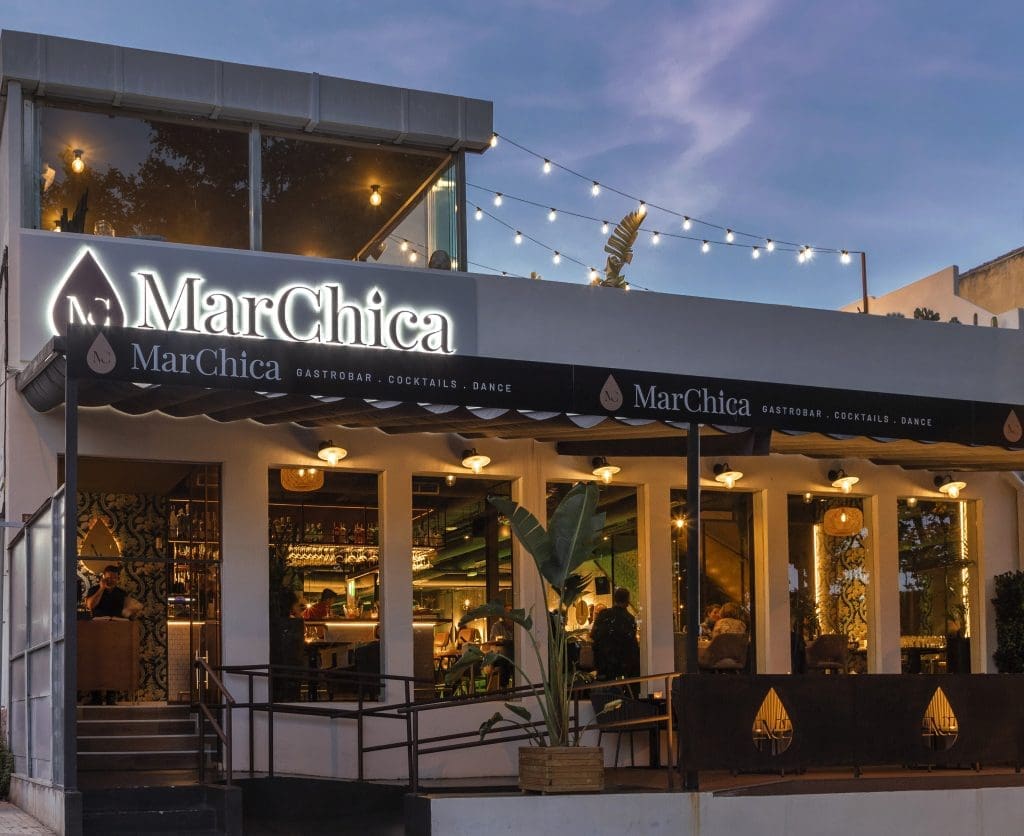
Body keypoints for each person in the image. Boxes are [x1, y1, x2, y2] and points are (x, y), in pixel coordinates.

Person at [83, 565, 140, 705]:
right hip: (97, 631)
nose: (111, 580)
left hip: (117, 631)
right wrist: (101, 589)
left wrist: (133, 610)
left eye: (114, 578)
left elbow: (127, 611)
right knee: (96, 662)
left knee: (115, 663)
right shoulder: (94, 589)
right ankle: (96, 696)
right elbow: (90, 605)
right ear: (103, 577)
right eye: (108, 578)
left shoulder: (121, 593)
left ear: (118, 578)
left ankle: (111, 696)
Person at [590, 587, 640, 686]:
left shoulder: (603, 614)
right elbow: (631, 644)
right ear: (627, 601)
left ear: (614, 599)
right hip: (621, 666)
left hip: (602, 663)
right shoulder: (629, 619)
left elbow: (593, 635)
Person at [487, 606, 515, 690]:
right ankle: (503, 689)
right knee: (504, 660)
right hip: (499, 655)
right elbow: (493, 642)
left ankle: (515, 687)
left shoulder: (517, 627)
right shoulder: (497, 626)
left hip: (513, 655)